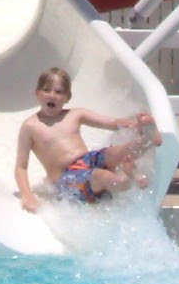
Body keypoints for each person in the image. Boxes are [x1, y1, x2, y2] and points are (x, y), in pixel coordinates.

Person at [15, 67, 162, 212]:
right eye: (46, 90)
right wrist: (28, 196)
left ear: (67, 97)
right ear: (37, 93)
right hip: (66, 178)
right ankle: (127, 179)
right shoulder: (30, 126)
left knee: (114, 152)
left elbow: (112, 122)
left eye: (59, 92)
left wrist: (135, 125)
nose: (52, 95)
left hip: (88, 160)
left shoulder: (75, 114)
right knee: (101, 175)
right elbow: (21, 167)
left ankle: (147, 139)